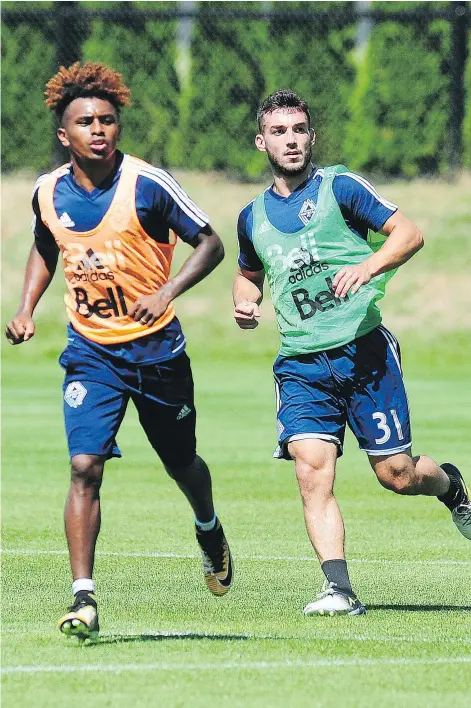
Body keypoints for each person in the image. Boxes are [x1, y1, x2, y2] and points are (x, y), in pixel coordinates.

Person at [5, 62, 233, 640]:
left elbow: (210, 242)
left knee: (182, 463)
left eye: (107, 120)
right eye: (86, 122)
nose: (99, 129)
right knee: (84, 466)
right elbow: (44, 245)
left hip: (158, 355)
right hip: (91, 353)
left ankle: (208, 528)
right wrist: (27, 306)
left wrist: (167, 290)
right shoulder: (46, 192)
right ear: (65, 135)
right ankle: (85, 598)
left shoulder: (147, 185)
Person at [233, 89, 470, 617]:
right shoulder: (252, 217)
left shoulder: (341, 187)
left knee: (398, 476)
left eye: (299, 129)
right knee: (311, 470)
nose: (290, 140)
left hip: (364, 355)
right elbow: (248, 276)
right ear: (261, 141)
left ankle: (452, 488)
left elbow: (409, 233)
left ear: (311, 136)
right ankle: (339, 588)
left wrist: (368, 266)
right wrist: (245, 304)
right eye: (279, 131)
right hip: (300, 364)